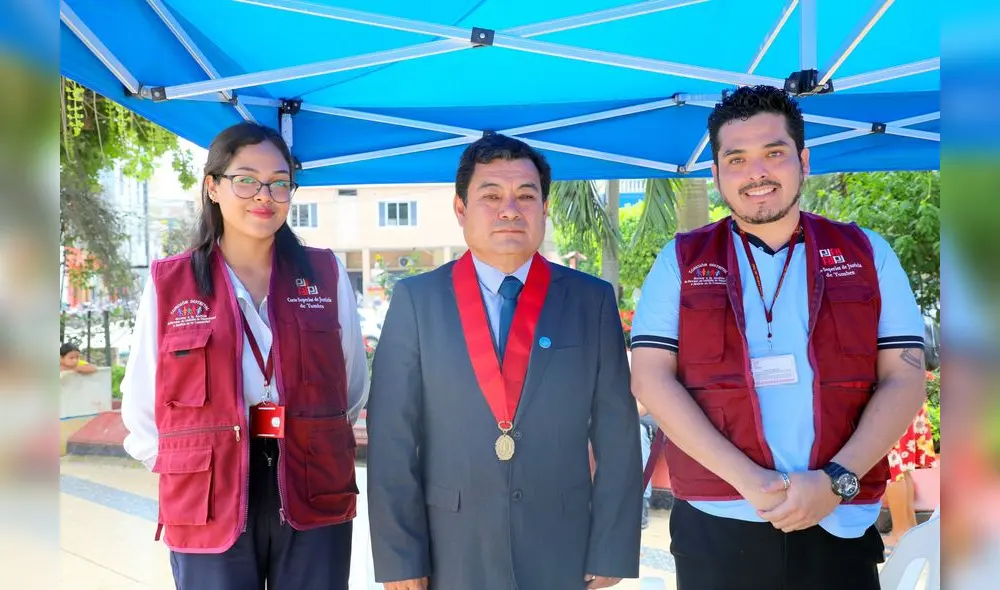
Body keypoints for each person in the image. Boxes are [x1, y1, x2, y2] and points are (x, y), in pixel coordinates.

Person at [630, 85, 927, 589]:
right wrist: (750, 481)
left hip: (840, 519)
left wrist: (835, 481)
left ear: (803, 160)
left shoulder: (865, 253)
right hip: (717, 519)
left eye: (774, 153)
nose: (757, 173)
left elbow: (904, 379)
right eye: (737, 158)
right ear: (716, 172)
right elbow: (652, 379)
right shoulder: (679, 260)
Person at [366, 133, 642, 590]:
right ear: (461, 210)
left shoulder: (590, 301)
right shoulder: (417, 300)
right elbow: (393, 438)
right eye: (490, 195)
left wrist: (611, 545)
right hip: (449, 546)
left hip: (561, 546)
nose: (509, 209)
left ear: (545, 208)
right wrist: (400, 557)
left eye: (525, 196)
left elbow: (616, 431)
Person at [119, 122, 369, 590]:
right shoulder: (170, 282)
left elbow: (350, 387)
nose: (265, 195)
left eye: (280, 182)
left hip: (311, 477)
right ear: (213, 186)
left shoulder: (325, 273)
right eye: (247, 179)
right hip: (209, 490)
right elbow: (141, 406)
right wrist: (194, 465)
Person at [883, 396, 938, 549]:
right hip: (909, 395)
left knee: (891, 467)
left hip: (892, 401)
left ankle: (899, 533)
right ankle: (909, 529)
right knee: (901, 469)